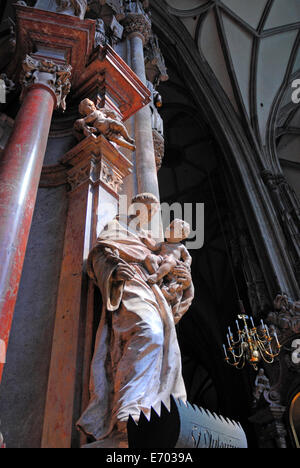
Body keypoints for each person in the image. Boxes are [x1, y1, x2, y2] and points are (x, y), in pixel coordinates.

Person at [77, 193, 194, 447]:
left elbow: (171, 275)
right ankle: (126, 415)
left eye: (151, 211)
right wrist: (114, 269)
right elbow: (98, 256)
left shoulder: (152, 243)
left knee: (159, 341)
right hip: (129, 286)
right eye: (144, 208)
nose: (147, 214)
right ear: (135, 208)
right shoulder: (116, 229)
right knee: (149, 332)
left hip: (151, 292)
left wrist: (184, 280)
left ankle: (144, 413)